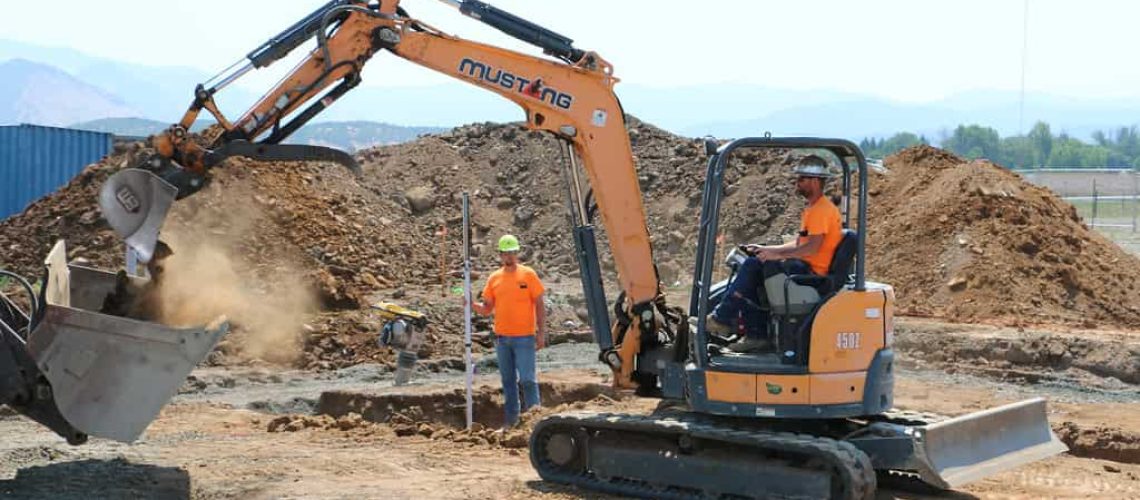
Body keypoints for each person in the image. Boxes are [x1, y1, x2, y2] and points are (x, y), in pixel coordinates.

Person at [707, 155, 842, 352]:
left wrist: (775, 256)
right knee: (755, 263)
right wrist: (767, 250)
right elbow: (800, 243)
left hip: (812, 274)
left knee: (753, 266)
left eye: (801, 179)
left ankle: (723, 318)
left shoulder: (821, 211)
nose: (797, 183)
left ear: (814, 181)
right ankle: (755, 334)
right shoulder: (814, 209)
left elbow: (812, 248)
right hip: (804, 267)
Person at [471, 234, 547, 427]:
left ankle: (535, 421)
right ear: (500, 255)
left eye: (512, 252)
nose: (509, 257)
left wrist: (541, 333)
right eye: (506, 253)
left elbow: (539, 304)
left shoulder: (528, 274)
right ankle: (512, 422)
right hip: (502, 339)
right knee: (508, 382)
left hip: (524, 338)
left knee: (528, 380)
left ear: (517, 253)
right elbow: (487, 308)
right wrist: (470, 304)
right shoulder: (494, 278)